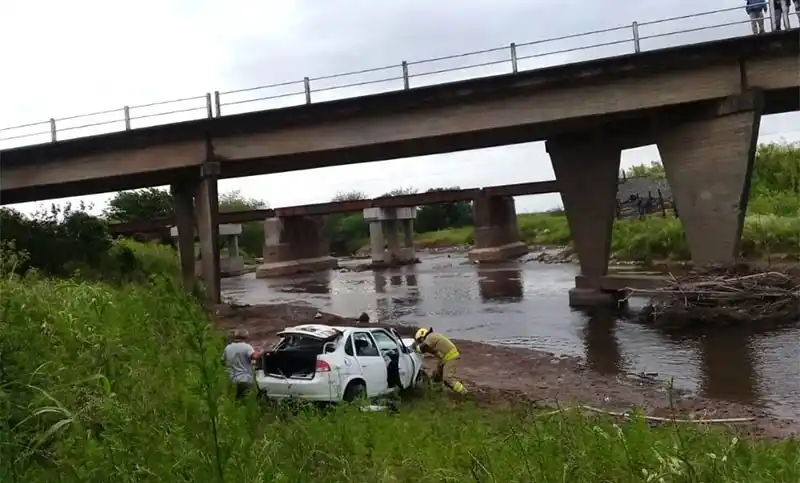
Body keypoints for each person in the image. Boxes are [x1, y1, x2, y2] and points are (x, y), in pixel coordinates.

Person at [413, 327, 465, 394]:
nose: (421, 342)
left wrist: (414, 348)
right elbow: (433, 351)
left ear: (422, 336)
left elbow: (423, 348)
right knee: (437, 375)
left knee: (447, 379)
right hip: (445, 358)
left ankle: (463, 392)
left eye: (420, 340)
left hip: (451, 357)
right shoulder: (433, 336)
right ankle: (438, 390)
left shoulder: (430, 337)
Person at [221, 329, 261, 399]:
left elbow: (222, 362)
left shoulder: (228, 348)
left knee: (234, 401)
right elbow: (254, 356)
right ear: (246, 337)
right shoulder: (247, 347)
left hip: (232, 379)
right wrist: (261, 352)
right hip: (245, 379)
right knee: (246, 401)